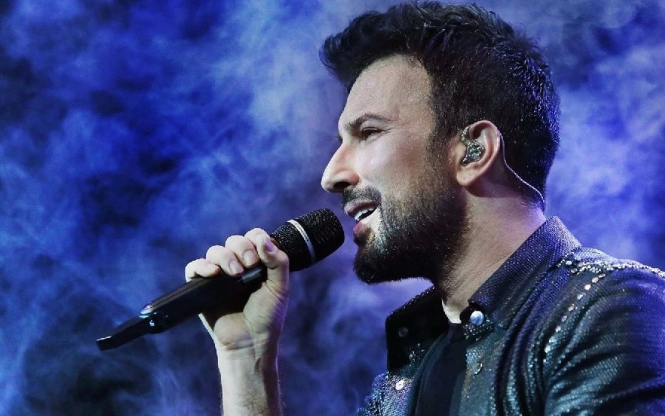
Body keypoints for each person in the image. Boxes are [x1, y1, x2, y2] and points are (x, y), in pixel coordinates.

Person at [185, 2, 665, 415]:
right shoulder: (415, 364)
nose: (331, 175)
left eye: (368, 132)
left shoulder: (611, 308)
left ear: (474, 152)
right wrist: (247, 361)